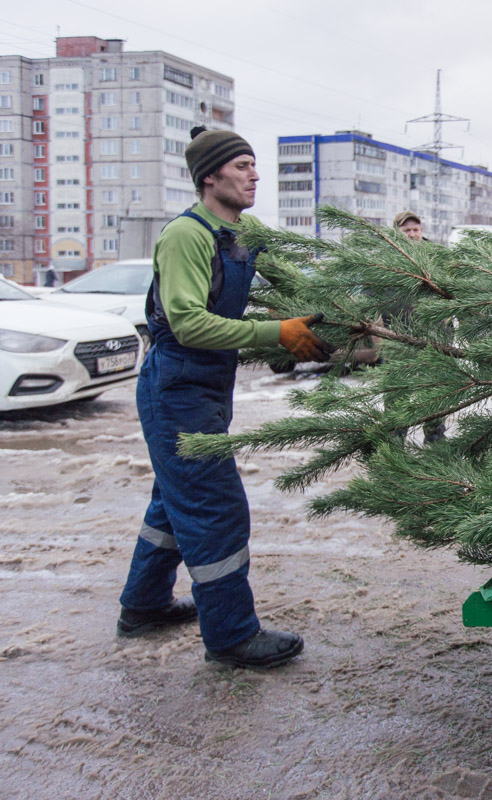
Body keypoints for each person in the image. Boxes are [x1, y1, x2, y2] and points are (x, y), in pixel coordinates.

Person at [116, 126, 332, 669]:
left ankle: (142, 607)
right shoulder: (187, 235)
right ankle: (232, 636)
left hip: (207, 387)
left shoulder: (240, 233)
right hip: (176, 386)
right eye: (241, 166)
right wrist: (274, 334)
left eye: (254, 165)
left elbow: (283, 285)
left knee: (174, 500)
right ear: (209, 176)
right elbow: (188, 323)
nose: (255, 175)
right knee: (215, 507)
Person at [391, 210, 446, 443]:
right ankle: (395, 443)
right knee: (397, 390)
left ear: (422, 231)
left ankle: (435, 442)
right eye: (407, 230)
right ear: (397, 233)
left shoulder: (436, 255)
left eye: (416, 229)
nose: (412, 234)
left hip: (435, 332)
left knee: (434, 389)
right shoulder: (388, 257)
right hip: (399, 333)